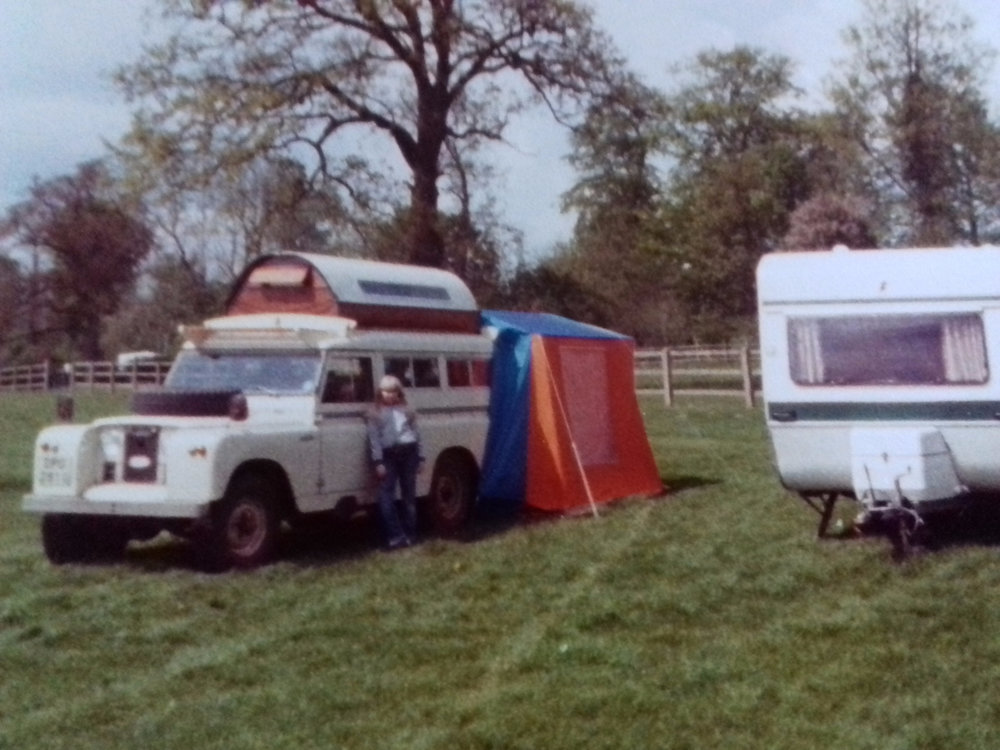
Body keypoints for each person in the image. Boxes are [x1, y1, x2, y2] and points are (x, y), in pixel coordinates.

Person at [366, 375, 425, 549]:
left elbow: (417, 434)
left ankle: (410, 534)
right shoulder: (375, 413)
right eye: (386, 391)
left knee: (409, 495)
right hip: (388, 455)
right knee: (386, 496)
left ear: (399, 392)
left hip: (409, 452)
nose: (390, 395)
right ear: (380, 392)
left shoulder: (407, 410)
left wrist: (421, 457)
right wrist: (378, 462)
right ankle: (395, 535)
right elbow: (374, 439)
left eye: (393, 391)